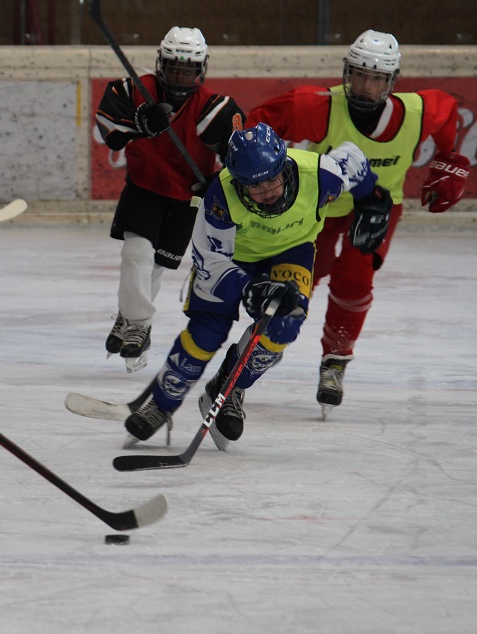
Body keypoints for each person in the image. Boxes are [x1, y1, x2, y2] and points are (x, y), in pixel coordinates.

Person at [123, 123, 391, 450]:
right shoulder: (221, 195)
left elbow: (354, 158)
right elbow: (210, 259)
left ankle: (230, 386)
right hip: (232, 259)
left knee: (285, 323)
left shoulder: (320, 173)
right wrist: (251, 286)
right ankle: (163, 403)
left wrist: (373, 202)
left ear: (284, 168)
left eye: (270, 180)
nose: (264, 192)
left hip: (293, 251)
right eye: (252, 185)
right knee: (207, 331)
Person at [246, 30, 470, 417]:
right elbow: (257, 125)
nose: (366, 86)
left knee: (355, 278)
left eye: (377, 78)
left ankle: (335, 358)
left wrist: (449, 160)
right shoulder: (316, 105)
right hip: (321, 203)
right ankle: (268, 342)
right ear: (347, 73)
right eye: (360, 75)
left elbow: (447, 110)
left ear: (392, 81)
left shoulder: (416, 112)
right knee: (300, 276)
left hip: (379, 205)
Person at [95, 26, 245, 373]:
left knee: (156, 269)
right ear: (161, 64)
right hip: (144, 189)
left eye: (187, 69)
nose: (179, 76)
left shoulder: (213, 107)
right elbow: (109, 129)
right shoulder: (137, 90)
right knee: (136, 256)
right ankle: (141, 326)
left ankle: (126, 318)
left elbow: (240, 155)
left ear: (200, 70)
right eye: (174, 67)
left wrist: (218, 181)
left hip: (187, 200)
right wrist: (138, 123)